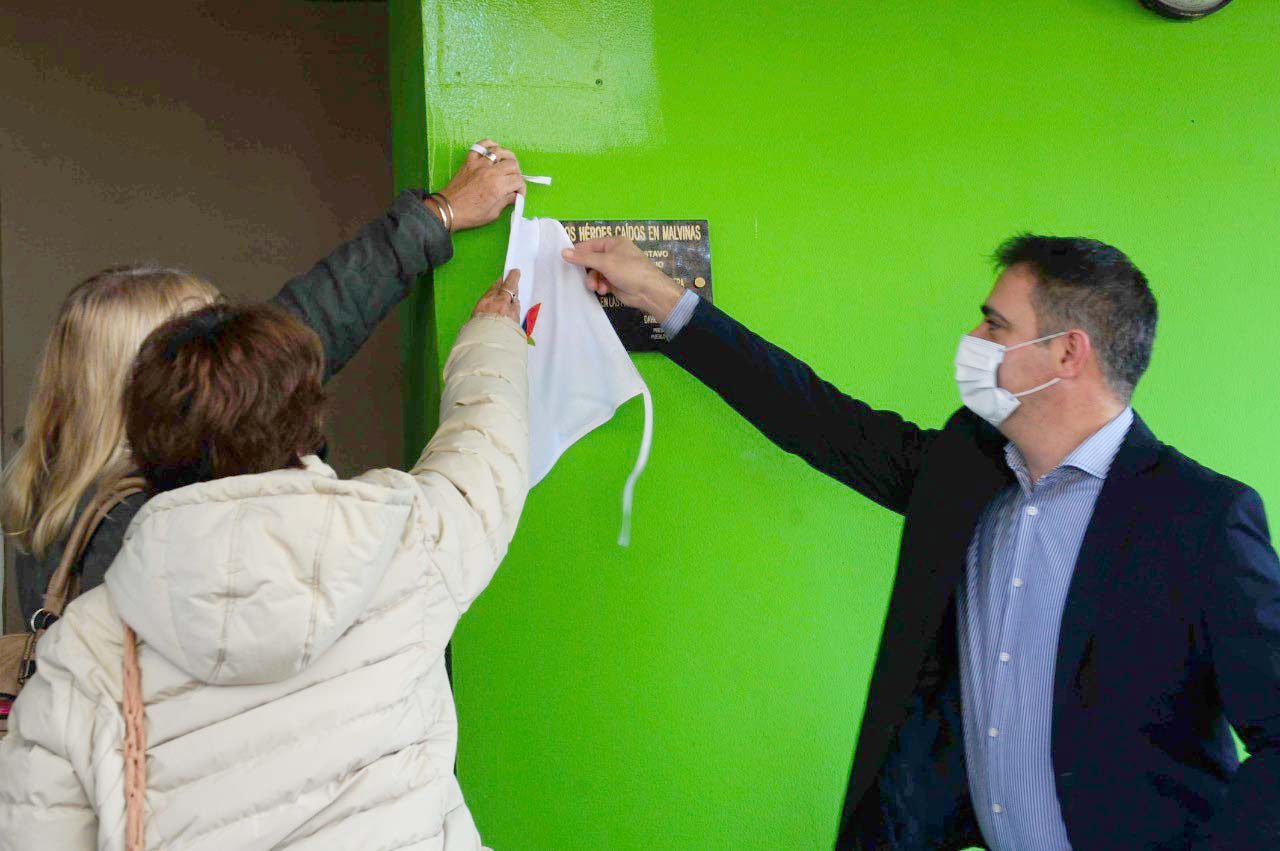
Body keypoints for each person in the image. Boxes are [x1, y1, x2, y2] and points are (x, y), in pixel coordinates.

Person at [561, 234, 1280, 849]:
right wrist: (660, 295)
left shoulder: (1200, 517)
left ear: (1067, 352)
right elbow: (817, 419)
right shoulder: (966, 469)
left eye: (995, 324)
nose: (973, 340)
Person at [0, 272, 528, 848]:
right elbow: (485, 448)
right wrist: (493, 334)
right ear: (308, 423)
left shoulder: (84, 648)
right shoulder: (408, 541)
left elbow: (38, 831)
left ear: (143, 442)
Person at [1, 139, 525, 627]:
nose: (238, 355)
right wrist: (494, 341)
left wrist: (436, 216)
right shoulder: (176, 530)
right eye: (212, 345)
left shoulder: (50, 483)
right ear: (152, 381)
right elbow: (463, 501)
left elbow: (304, 326)